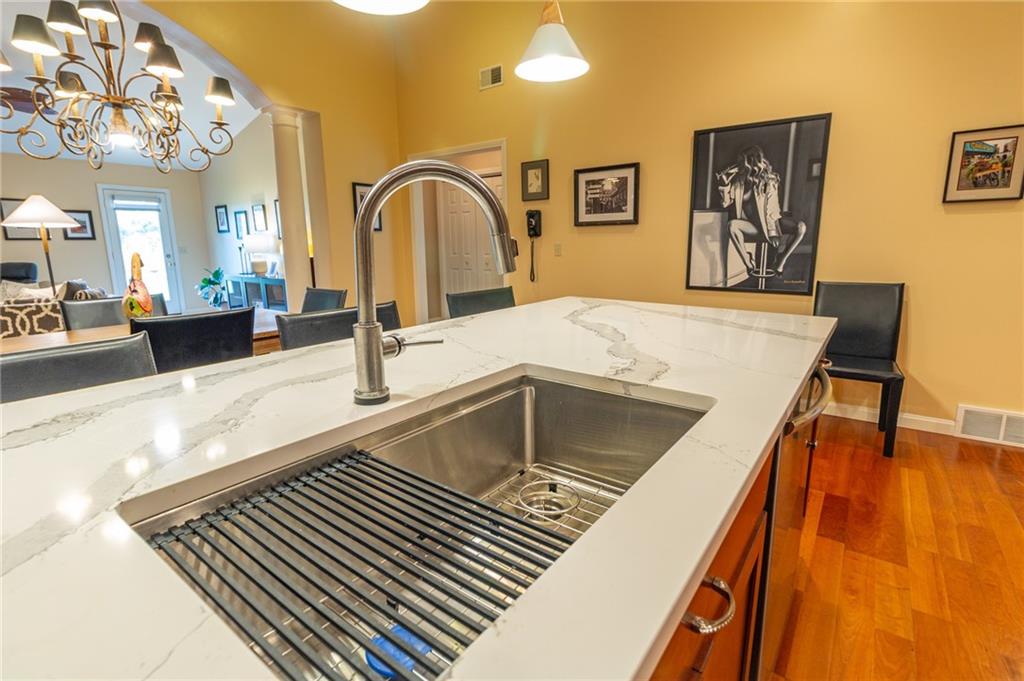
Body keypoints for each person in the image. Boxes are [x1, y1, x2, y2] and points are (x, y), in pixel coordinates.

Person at [716, 146, 806, 278]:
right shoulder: (739, 181)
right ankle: (748, 262)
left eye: (741, 161)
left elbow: (772, 208)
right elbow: (726, 203)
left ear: (751, 163)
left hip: (772, 223)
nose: (738, 164)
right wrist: (724, 184)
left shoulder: (769, 180)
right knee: (732, 225)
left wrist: (772, 232)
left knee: (801, 227)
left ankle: (782, 259)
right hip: (754, 226)